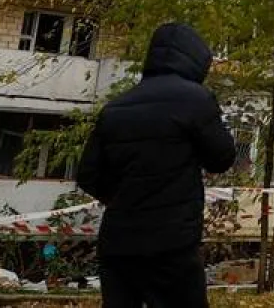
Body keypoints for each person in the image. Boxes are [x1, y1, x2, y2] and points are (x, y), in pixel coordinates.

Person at [77, 22, 238, 308]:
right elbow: (222, 158)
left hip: (118, 243)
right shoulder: (195, 100)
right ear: (196, 59)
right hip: (171, 244)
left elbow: (88, 175)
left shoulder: (115, 108)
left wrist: (123, 198)